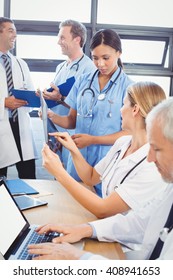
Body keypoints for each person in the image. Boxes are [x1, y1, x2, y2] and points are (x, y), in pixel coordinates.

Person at [28, 97, 173, 260]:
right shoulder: (169, 191)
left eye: (157, 149)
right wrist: (85, 229)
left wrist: (78, 258)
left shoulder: (153, 172)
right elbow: (139, 223)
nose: (150, 158)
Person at [41, 81, 167, 218]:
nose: (120, 110)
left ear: (135, 109)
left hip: (126, 237)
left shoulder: (153, 164)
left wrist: (59, 173)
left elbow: (103, 209)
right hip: (109, 227)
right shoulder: (123, 143)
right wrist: (72, 148)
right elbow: (91, 177)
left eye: (124, 104)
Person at [47, 29, 133, 195]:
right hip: (78, 158)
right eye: (95, 58)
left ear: (119, 53)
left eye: (105, 58)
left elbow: (128, 133)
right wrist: (51, 116)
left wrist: (93, 140)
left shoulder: (128, 87)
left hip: (107, 162)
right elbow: (72, 120)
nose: (100, 64)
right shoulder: (83, 81)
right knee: (73, 204)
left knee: (100, 209)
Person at [40, 19, 96, 169]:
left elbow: (86, 107)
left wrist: (60, 98)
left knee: (71, 176)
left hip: (71, 133)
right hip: (55, 130)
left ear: (77, 39)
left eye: (62, 37)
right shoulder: (61, 67)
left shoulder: (89, 68)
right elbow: (57, 95)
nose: (58, 42)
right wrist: (44, 96)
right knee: (57, 175)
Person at [0, 17, 37, 179]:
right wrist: (3, 102)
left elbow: (30, 91)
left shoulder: (21, 64)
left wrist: (33, 97)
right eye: (10, 31)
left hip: (20, 125)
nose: (15, 35)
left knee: (29, 175)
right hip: (1, 125)